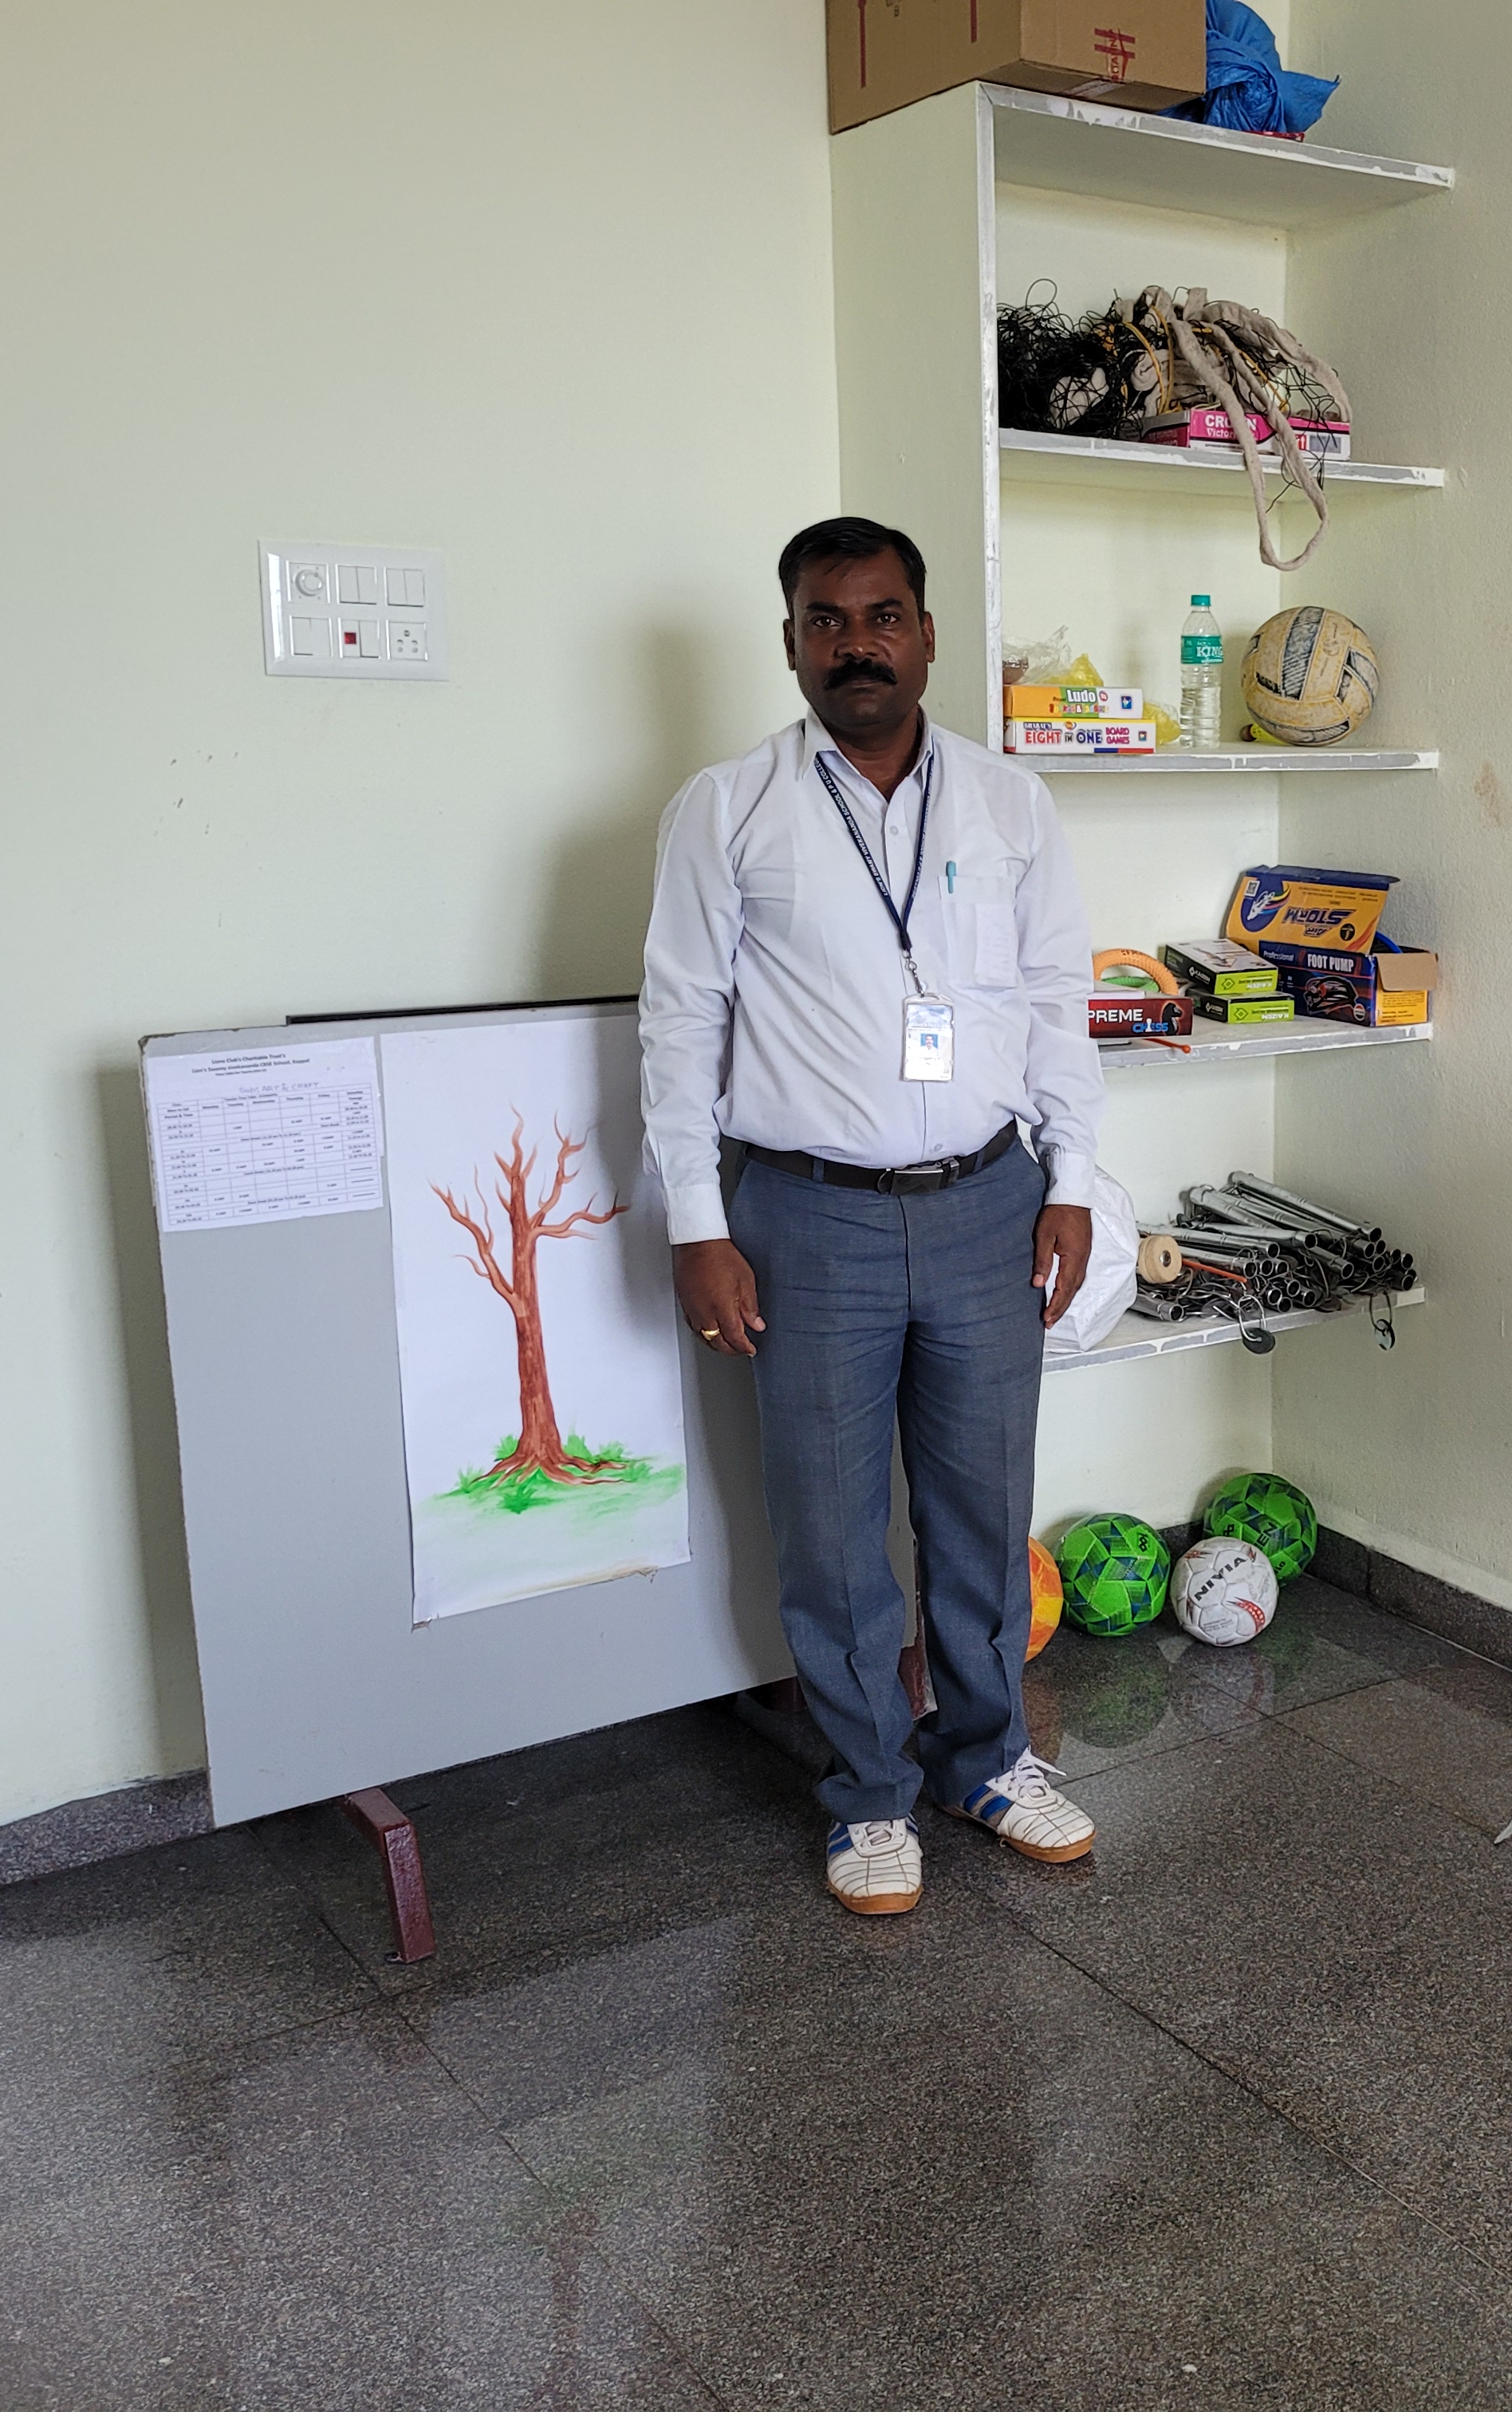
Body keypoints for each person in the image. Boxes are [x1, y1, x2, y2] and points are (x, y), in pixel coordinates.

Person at [640, 515, 1104, 1916]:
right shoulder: (727, 808)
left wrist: (1071, 1183)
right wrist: (697, 1223)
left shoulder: (1011, 805)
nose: (858, 645)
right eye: (827, 621)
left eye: (883, 616)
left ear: (928, 635)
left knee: (983, 1508)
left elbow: (1056, 1005)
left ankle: (987, 1759)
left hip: (988, 1202)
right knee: (833, 1535)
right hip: (808, 1217)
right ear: (790, 642)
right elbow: (679, 1025)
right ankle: (868, 1796)